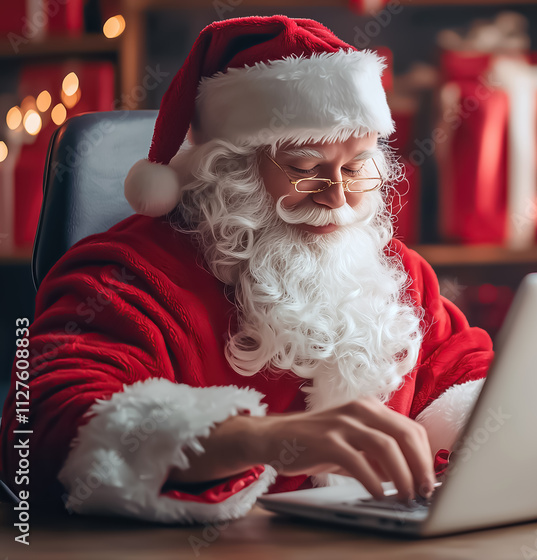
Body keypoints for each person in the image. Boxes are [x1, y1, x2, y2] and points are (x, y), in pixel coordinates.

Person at [0, 15, 493, 524]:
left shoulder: (394, 271)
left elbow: (466, 373)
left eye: (355, 167)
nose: (338, 197)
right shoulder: (127, 276)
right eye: (305, 169)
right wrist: (262, 440)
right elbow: (41, 426)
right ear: (230, 168)